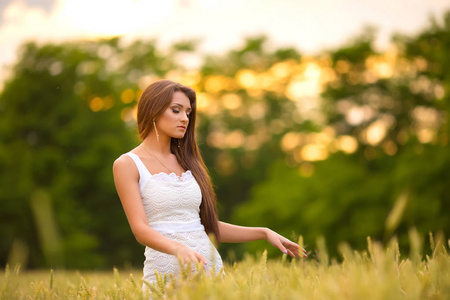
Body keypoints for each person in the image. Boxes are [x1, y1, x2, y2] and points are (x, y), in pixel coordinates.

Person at [113, 79, 306, 286]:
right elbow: (140, 229)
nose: (185, 118)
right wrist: (177, 248)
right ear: (153, 110)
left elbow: (207, 227)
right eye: (176, 110)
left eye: (188, 112)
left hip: (208, 271)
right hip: (164, 275)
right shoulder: (127, 164)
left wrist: (263, 232)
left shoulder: (188, 161)